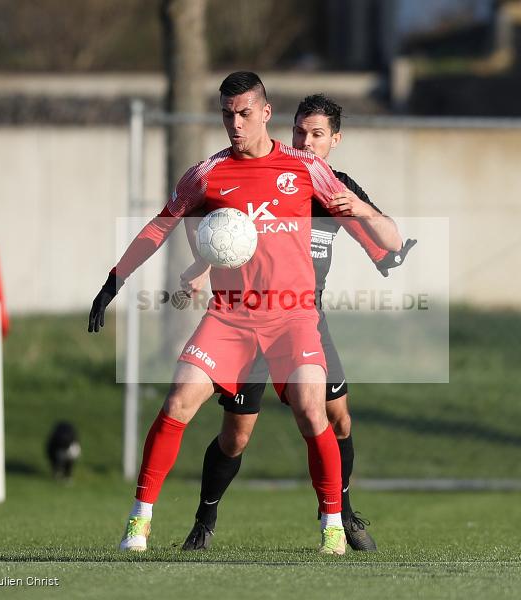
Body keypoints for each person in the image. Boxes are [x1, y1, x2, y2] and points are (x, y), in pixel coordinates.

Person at [88, 72, 402, 555]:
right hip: (230, 317)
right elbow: (162, 224)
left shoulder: (305, 168)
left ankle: (334, 523)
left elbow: (388, 240)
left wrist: (362, 209)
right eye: (226, 114)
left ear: (265, 112)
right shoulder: (205, 174)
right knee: (178, 403)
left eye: (244, 113)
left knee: (312, 410)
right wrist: (115, 279)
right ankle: (139, 522)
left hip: (293, 317)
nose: (234, 124)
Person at [179, 94, 416, 553]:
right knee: (236, 434)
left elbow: (386, 238)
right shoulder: (265, 175)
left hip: (307, 317)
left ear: (336, 140)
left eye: (317, 134)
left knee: (338, 418)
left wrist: (365, 218)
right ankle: (204, 519)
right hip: (248, 318)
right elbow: (218, 230)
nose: (305, 143)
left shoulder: (333, 188)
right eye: (299, 132)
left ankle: (339, 513)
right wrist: (204, 265)